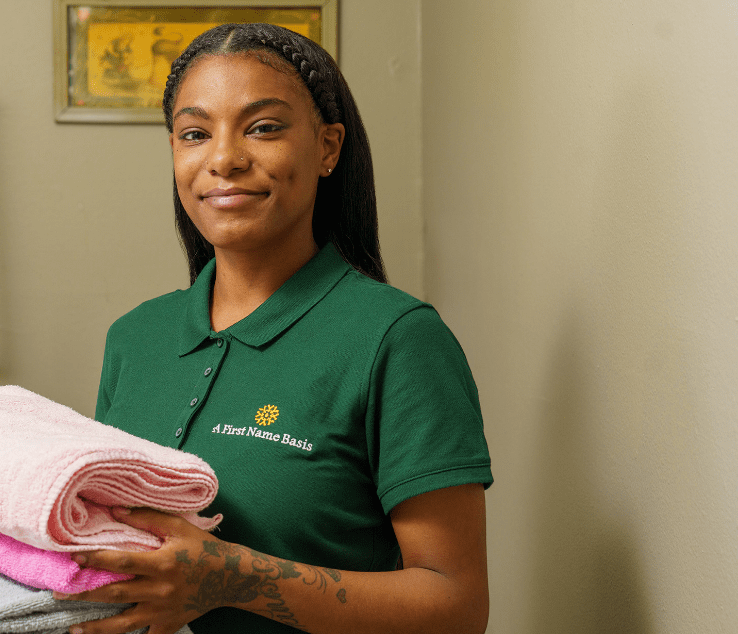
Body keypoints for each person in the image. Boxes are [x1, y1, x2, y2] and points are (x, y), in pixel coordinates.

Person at [54, 23, 493, 634]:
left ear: (328, 148)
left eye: (262, 127)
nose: (224, 159)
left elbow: (457, 607)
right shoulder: (135, 337)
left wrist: (234, 577)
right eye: (195, 134)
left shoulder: (397, 340)